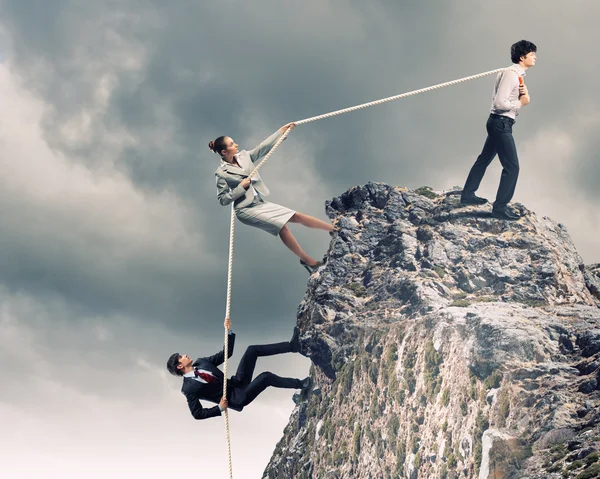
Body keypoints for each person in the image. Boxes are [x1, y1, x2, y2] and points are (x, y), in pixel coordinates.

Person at [211, 123, 336, 273]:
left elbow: (263, 147)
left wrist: (281, 132)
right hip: (245, 210)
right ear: (224, 152)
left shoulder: (244, 156)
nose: (236, 144)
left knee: (296, 216)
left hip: (259, 203)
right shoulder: (221, 173)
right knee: (282, 227)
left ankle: (334, 230)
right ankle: (308, 261)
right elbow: (223, 199)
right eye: (232, 144)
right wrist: (240, 187)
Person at [166, 318, 311, 420]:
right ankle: (302, 384)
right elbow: (197, 413)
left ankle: (293, 346)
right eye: (181, 356)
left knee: (251, 350)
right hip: (237, 398)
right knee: (266, 377)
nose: (185, 355)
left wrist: (228, 332)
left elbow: (226, 354)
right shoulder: (188, 389)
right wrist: (220, 409)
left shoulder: (201, 362)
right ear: (180, 366)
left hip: (237, 382)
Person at [460, 40, 537, 220]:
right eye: (532, 54)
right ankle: (500, 208)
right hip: (501, 123)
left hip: (499, 123)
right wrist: (521, 103)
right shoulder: (510, 74)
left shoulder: (514, 74)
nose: (535, 57)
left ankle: (467, 195)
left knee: (484, 158)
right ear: (522, 57)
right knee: (512, 167)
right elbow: (499, 103)